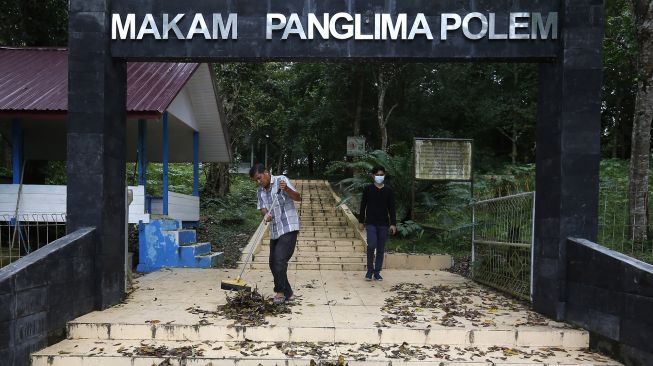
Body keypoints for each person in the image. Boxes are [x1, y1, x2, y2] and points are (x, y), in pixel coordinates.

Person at [249, 164, 302, 304]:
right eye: (255, 180)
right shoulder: (260, 192)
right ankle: (289, 292)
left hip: (289, 226)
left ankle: (279, 292)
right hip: (275, 229)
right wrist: (266, 214)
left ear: (266, 173)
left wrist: (287, 189)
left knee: (279, 258)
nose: (258, 182)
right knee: (273, 262)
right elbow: (262, 208)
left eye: (259, 178)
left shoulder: (281, 180)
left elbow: (298, 197)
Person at [358, 165, 397, 281]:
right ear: (372, 176)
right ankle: (369, 271)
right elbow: (363, 205)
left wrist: (393, 224)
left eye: (382, 175)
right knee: (371, 245)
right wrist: (361, 221)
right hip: (370, 223)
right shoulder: (368, 189)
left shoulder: (388, 191)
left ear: (384, 175)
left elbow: (392, 208)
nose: (379, 177)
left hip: (384, 224)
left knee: (380, 248)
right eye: (377, 175)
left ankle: (377, 272)